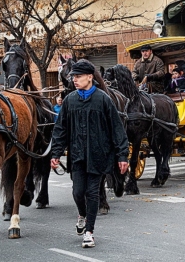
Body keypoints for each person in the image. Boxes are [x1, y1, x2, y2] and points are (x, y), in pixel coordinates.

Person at [50, 60, 129, 248]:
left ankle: (89, 232)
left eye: (78, 77)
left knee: (92, 193)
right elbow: (61, 129)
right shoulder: (70, 101)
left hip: (98, 155)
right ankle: (82, 215)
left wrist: (122, 155)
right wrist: (55, 153)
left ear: (90, 77)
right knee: (78, 192)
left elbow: (117, 129)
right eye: (73, 77)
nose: (74, 80)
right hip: (77, 155)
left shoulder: (103, 100)